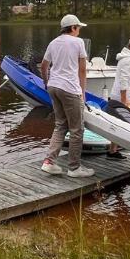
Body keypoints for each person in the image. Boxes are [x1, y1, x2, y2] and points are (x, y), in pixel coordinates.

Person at [39, 14, 95, 178]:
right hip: (70, 89)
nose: (79, 31)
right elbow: (82, 70)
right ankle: (74, 168)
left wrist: (46, 82)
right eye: (78, 28)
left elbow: (44, 66)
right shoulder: (78, 42)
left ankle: (49, 162)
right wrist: (82, 94)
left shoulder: (53, 42)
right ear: (73, 28)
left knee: (60, 125)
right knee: (77, 129)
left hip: (53, 87)